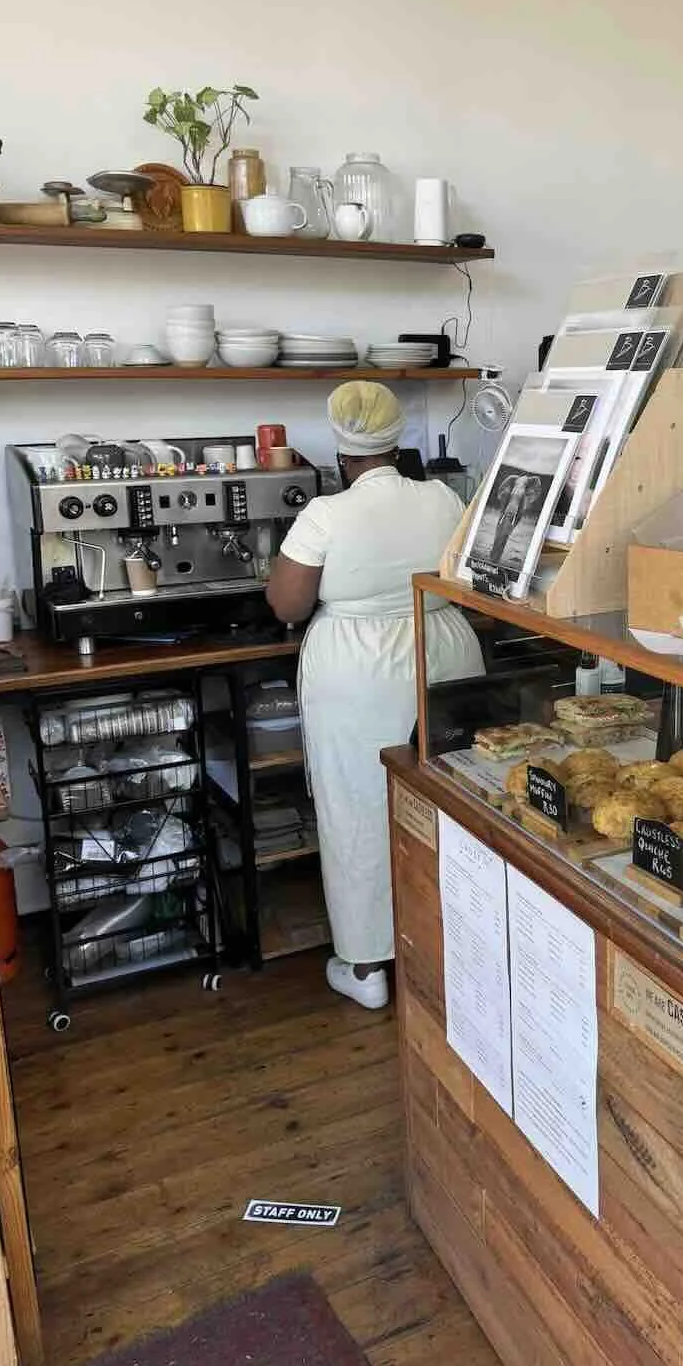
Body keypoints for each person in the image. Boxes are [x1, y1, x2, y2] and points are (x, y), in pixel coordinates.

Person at [266, 383, 483, 1010]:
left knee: (360, 808)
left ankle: (366, 967)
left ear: (341, 451)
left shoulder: (326, 515)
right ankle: (451, 938)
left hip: (359, 669)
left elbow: (287, 605)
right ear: (396, 440)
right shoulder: (442, 496)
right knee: (451, 799)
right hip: (443, 649)